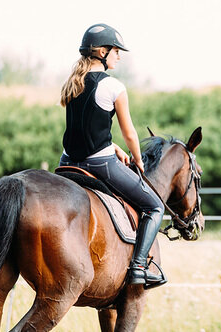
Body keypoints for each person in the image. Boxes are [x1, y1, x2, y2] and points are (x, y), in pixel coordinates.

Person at [59, 23, 165, 286]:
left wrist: (111, 144)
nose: (119, 56)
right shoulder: (114, 86)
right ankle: (139, 267)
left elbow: (85, 127)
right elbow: (130, 134)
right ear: (103, 52)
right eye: (117, 51)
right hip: (99, 164)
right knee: (154, 206)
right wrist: (138, 160)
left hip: (66, 162)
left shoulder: (73, 82)